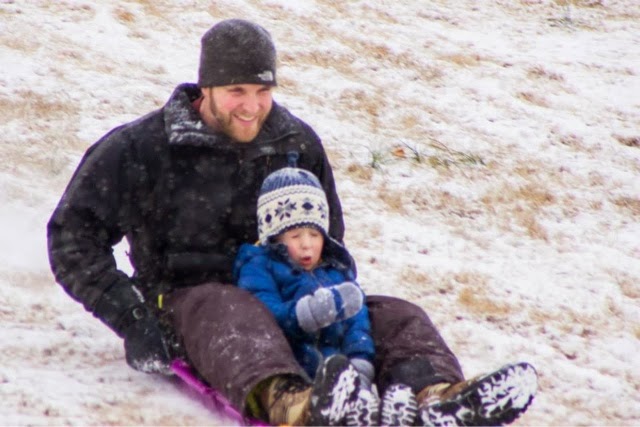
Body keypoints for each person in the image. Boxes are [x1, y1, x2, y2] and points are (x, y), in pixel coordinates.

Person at [47, 18, 537, 426]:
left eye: (263, 91)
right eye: (236, 91)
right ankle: (298, 406)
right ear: (206, 87)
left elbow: (328, 238)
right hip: (189, 302)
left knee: (395, 313)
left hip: (289, 292)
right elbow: (73, 236)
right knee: (230, 307)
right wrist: (132, 317)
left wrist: (328, 299)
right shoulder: (143, 148)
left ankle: (436, 397)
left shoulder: (293, 143)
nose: (252, 106)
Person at [234, 161, 382, 425]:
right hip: (294, 368)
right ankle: (317, 403)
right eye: (295, 235)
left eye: (314, 234)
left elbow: (357, 326)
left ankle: (358, 403)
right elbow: (262, 313)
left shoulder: (337, 271)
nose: (306, 245)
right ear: (275, 237)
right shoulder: (259, 266)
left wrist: (360, 364)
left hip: (338, 369)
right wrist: (305, 315)